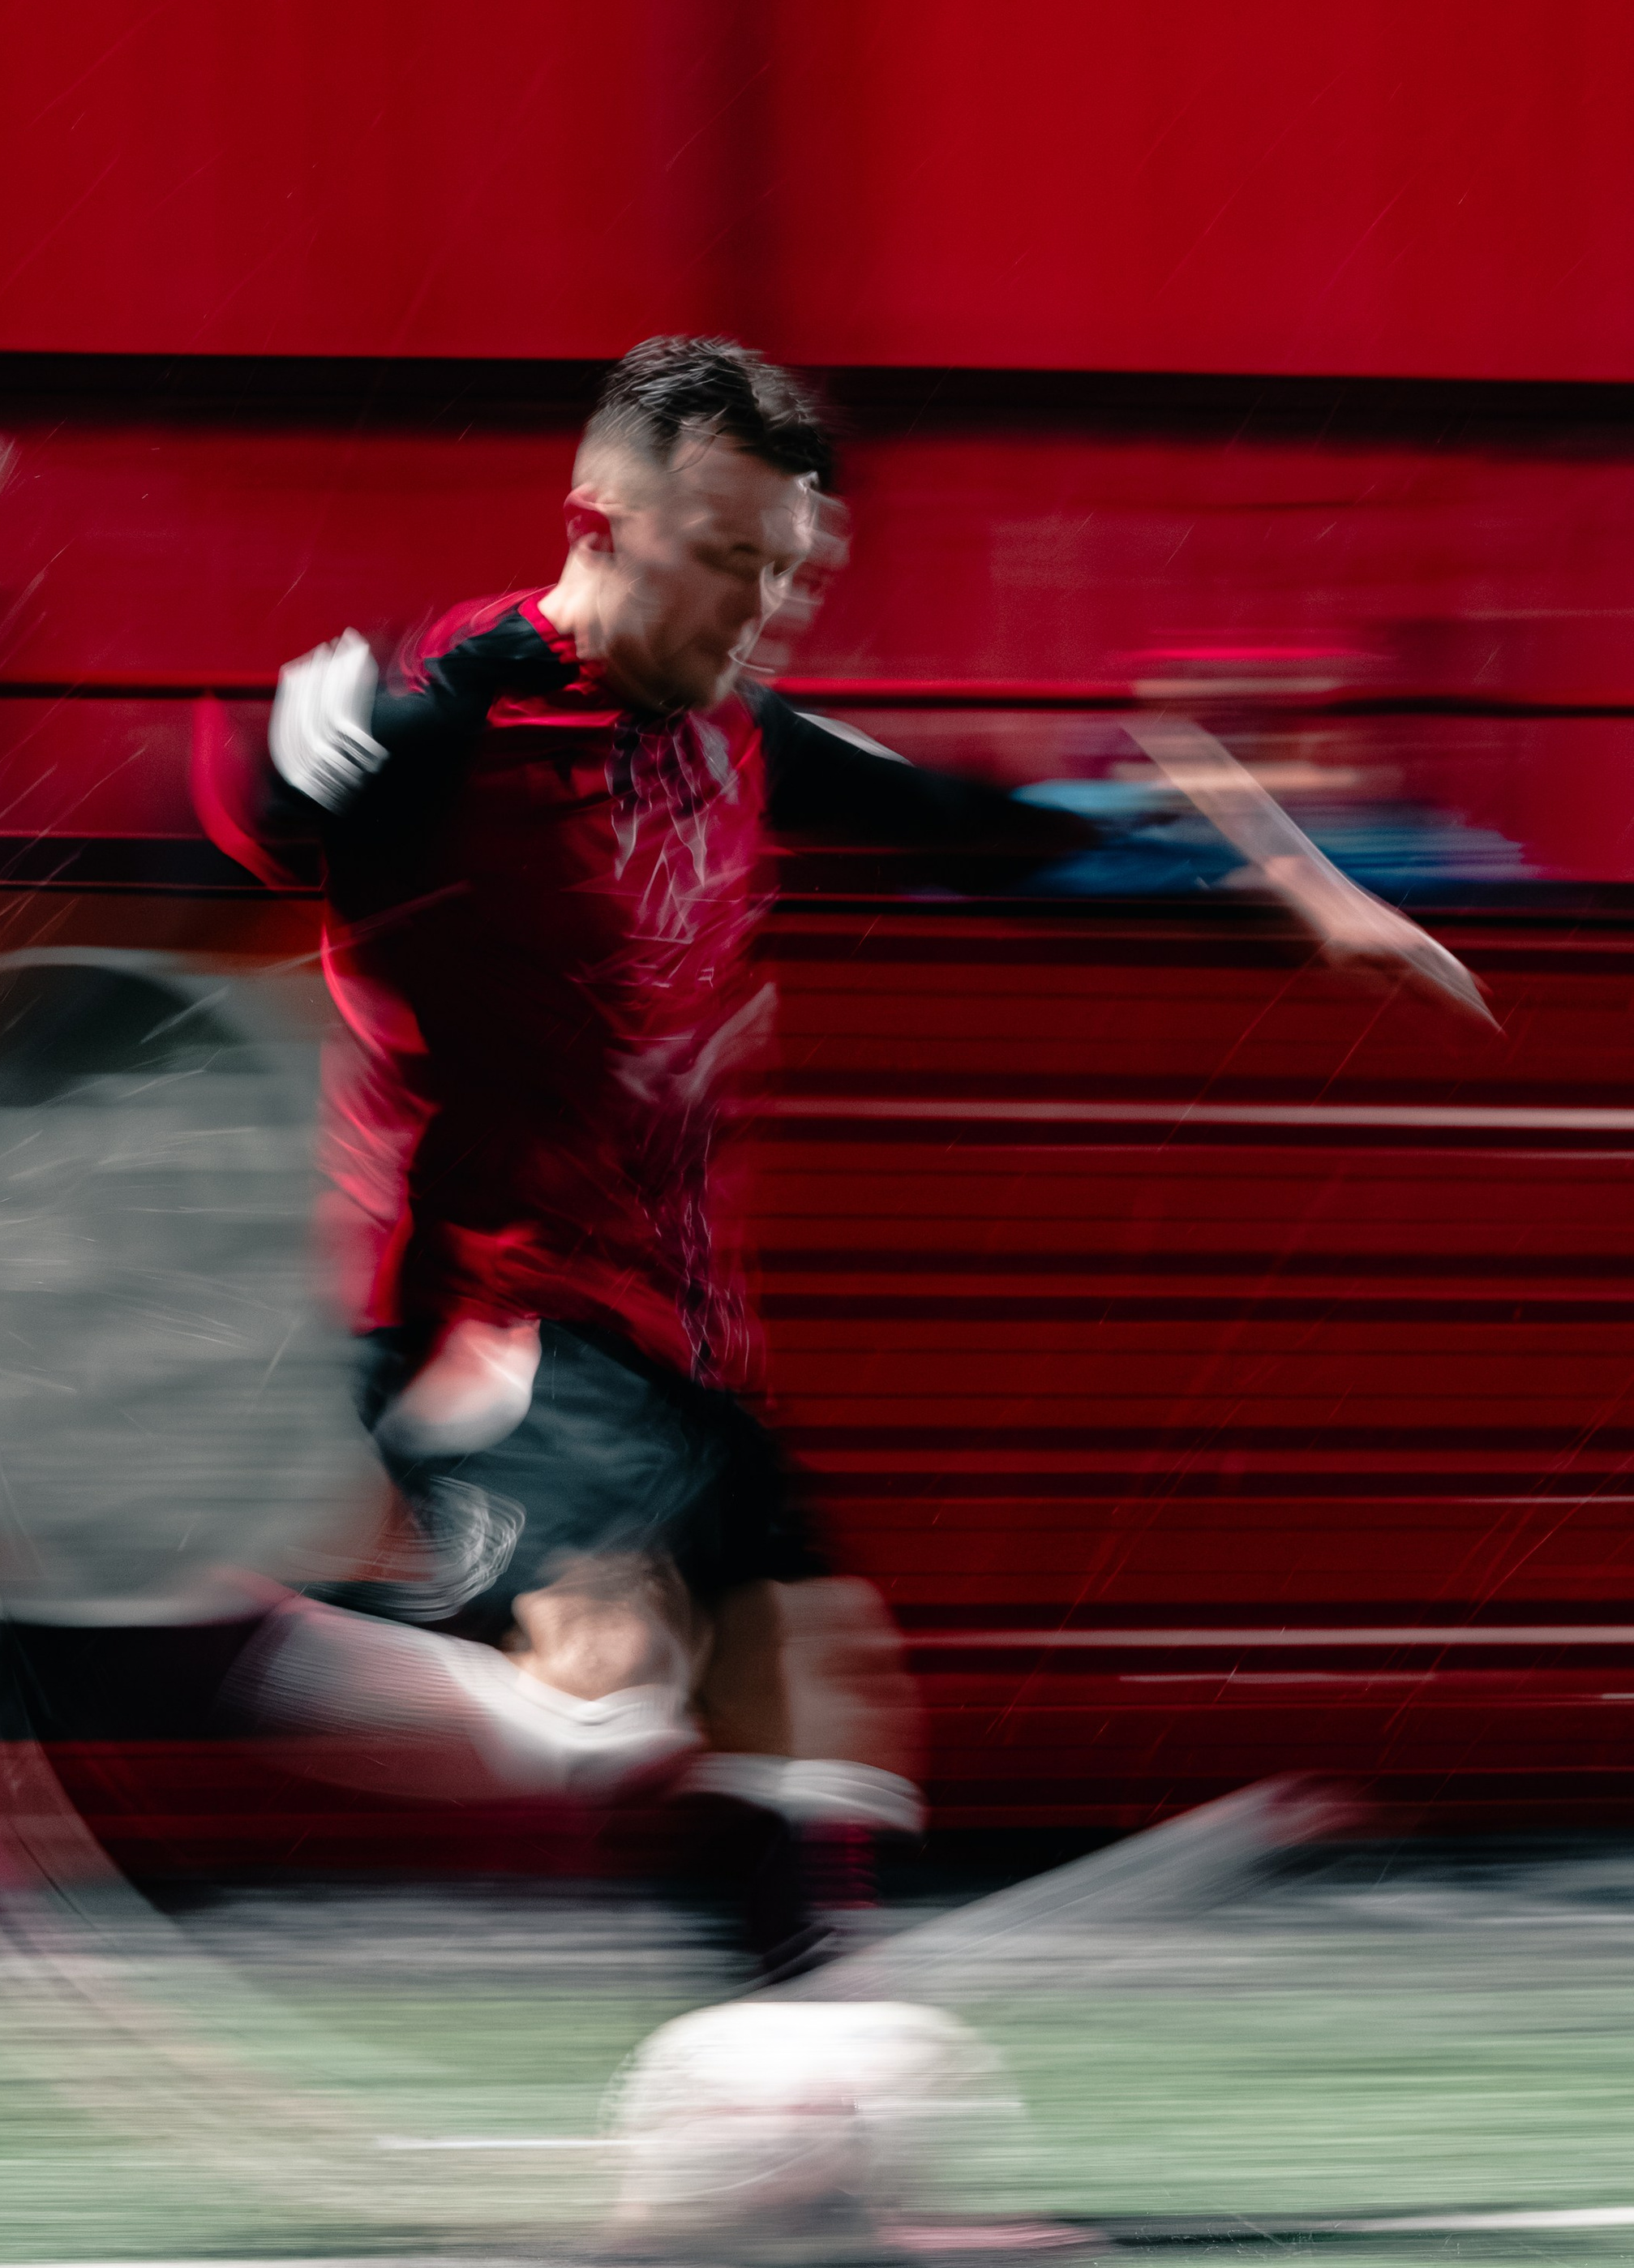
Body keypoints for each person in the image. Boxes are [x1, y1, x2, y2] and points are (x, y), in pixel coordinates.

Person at [209, 337, 1467, 1978]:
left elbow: (971, 829)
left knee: (805, 1698)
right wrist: (286, 765)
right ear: (597, 515)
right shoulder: (451, 718)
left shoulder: (737, 737)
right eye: (722, 557)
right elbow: (256, 828)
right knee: (606, 1680)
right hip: (501, 1323)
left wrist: (1271, 886)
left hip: (675, 1329)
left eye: (787, 577)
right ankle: (233, 1635)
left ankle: (786, 2085)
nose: (753, 607)